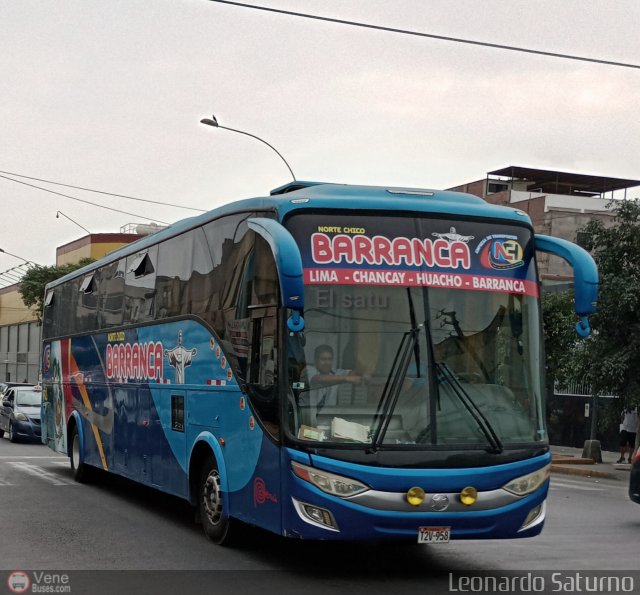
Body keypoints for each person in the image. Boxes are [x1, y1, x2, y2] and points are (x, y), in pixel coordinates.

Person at [299, 344, 368, 418]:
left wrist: (365, 372)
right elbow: (319, 379)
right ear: (316, 360)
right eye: (323, 359)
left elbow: (354, 373)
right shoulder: (309, 370)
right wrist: (347, 378)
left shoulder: (336, 373)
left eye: (329, 359)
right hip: (306, 418)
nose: (327, 363)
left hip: (326, 418)